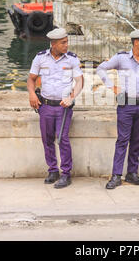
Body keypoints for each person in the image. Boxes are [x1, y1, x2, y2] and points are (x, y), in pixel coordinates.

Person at [96, 29, 139, 189]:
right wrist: (113, 87)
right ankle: (116, 175)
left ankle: (132, 173)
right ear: (136, 42)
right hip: (126, 106)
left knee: (137, 141)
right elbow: (100, 69)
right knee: (122, 141)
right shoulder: (121, 59)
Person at [27, 28, 84, 189]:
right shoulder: (40, 58)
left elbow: (80, 81)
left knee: (62, 138)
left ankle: (66, 173)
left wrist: (71, 97)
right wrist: (32, 94)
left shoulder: (71, 59)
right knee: (47, 139)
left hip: (63, 107)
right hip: (45, 106)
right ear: (53, 44)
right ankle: (53, 170)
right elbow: (31, 79)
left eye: (66, 42)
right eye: (63, 43)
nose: (66, 45)